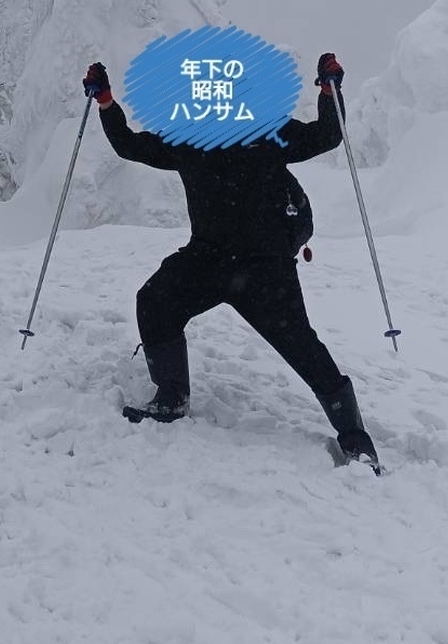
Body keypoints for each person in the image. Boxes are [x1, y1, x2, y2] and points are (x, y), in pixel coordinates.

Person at [82, 53, 379, 469]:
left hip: (264, 266)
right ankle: (171, 397)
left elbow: (329, 135)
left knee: (303, 347)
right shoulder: (189, 136)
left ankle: (355, 438)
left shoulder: (266, 130)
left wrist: (330, 90)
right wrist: (107, 103)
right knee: (155, 300)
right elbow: (129, 145)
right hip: (207, 258)